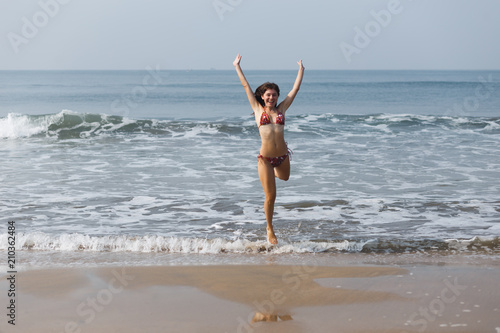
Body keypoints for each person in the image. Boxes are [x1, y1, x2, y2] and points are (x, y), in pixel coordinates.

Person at [233, 54, 304, 245]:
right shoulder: (258, 110)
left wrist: (301, 70)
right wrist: (237, 66)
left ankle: (271, 176)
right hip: (265, 159)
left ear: (277, 97)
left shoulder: (282, 110)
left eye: (274, 95)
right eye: (268, 95)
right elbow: (246, 86)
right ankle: (270, 229)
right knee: (271, 195)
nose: (271, 97)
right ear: (263, 97)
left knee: (286, 178)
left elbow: (295, 89)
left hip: (282, 156)